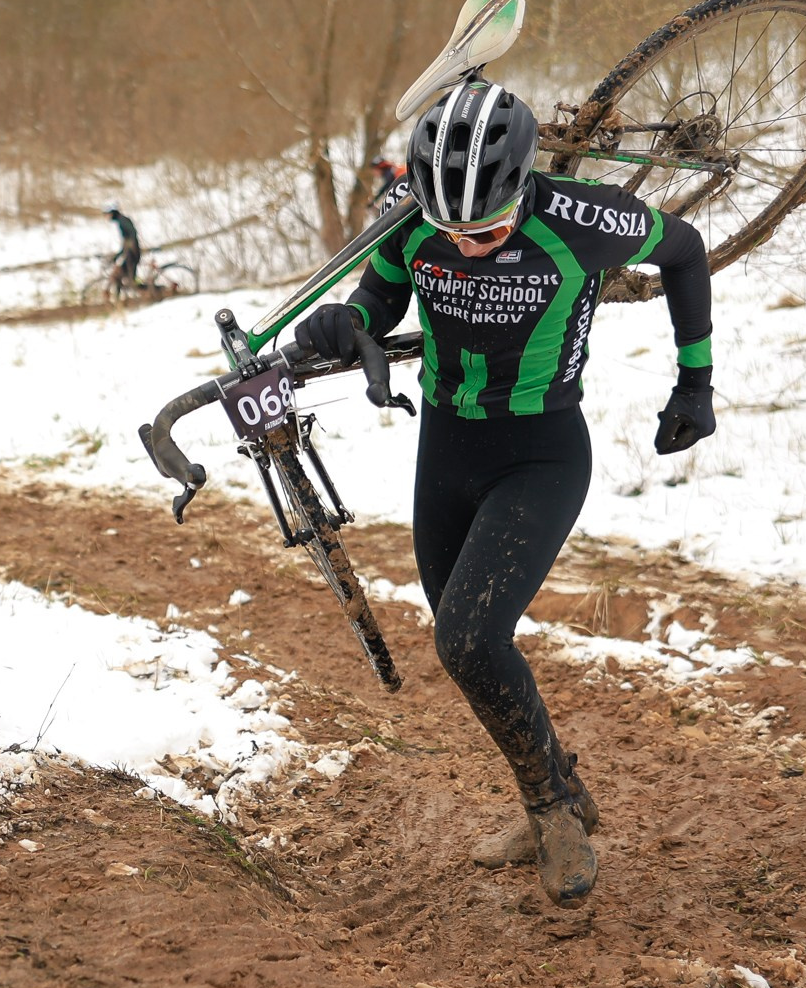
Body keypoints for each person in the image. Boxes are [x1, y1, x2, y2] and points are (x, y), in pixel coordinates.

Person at [292, 77, 715, 907]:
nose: (470, 244)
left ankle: (551, 812)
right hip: (446, 448)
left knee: (469, 639)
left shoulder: (585, 221)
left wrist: (695, 384)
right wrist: (348, 322)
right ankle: (564, 791)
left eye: (487, 228)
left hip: (541, 453)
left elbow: (687, 250)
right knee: (469, 651)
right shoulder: (414, 220)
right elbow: (376, 297)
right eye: (454, 231)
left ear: (523, 186)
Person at [107, 206, 142, 290]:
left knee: (125, 274)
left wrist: (129, 245)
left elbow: (132, 233)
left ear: (112, 213)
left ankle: (139, 287)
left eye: (108, 214)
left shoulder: (122, 221)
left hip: (132, 252)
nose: (107, 217)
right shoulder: (121, 220)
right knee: (126, 274)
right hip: (131, 250)